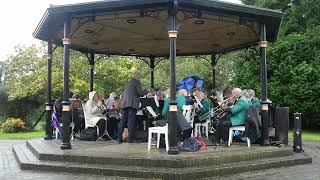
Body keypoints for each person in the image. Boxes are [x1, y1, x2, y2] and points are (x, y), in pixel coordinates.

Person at [117, 72, 146, 143]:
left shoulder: (128, 83)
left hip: (125, 105)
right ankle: (130, 139)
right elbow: (140, 93)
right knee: (131, 122)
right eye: (139, 77)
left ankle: (119, 138)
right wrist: (146, 91)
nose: (140, 78)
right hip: (132, 105)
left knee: (122, 122)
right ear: (136, 77)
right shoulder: (137, 82)